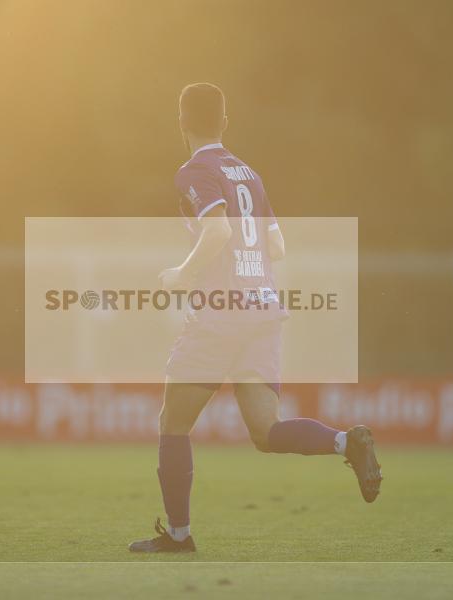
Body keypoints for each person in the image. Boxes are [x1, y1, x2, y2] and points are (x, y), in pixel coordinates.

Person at [128, 83, 382, 553]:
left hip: (221, 314)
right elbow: (278, 246)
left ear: (181, 122)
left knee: (173, 424)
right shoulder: (250, 174)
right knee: (266, 432)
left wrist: (183, 275)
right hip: (263, 309)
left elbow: (219, 230)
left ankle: (179, 537)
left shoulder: (193, 172)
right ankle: (348, 443)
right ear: (226, 121)